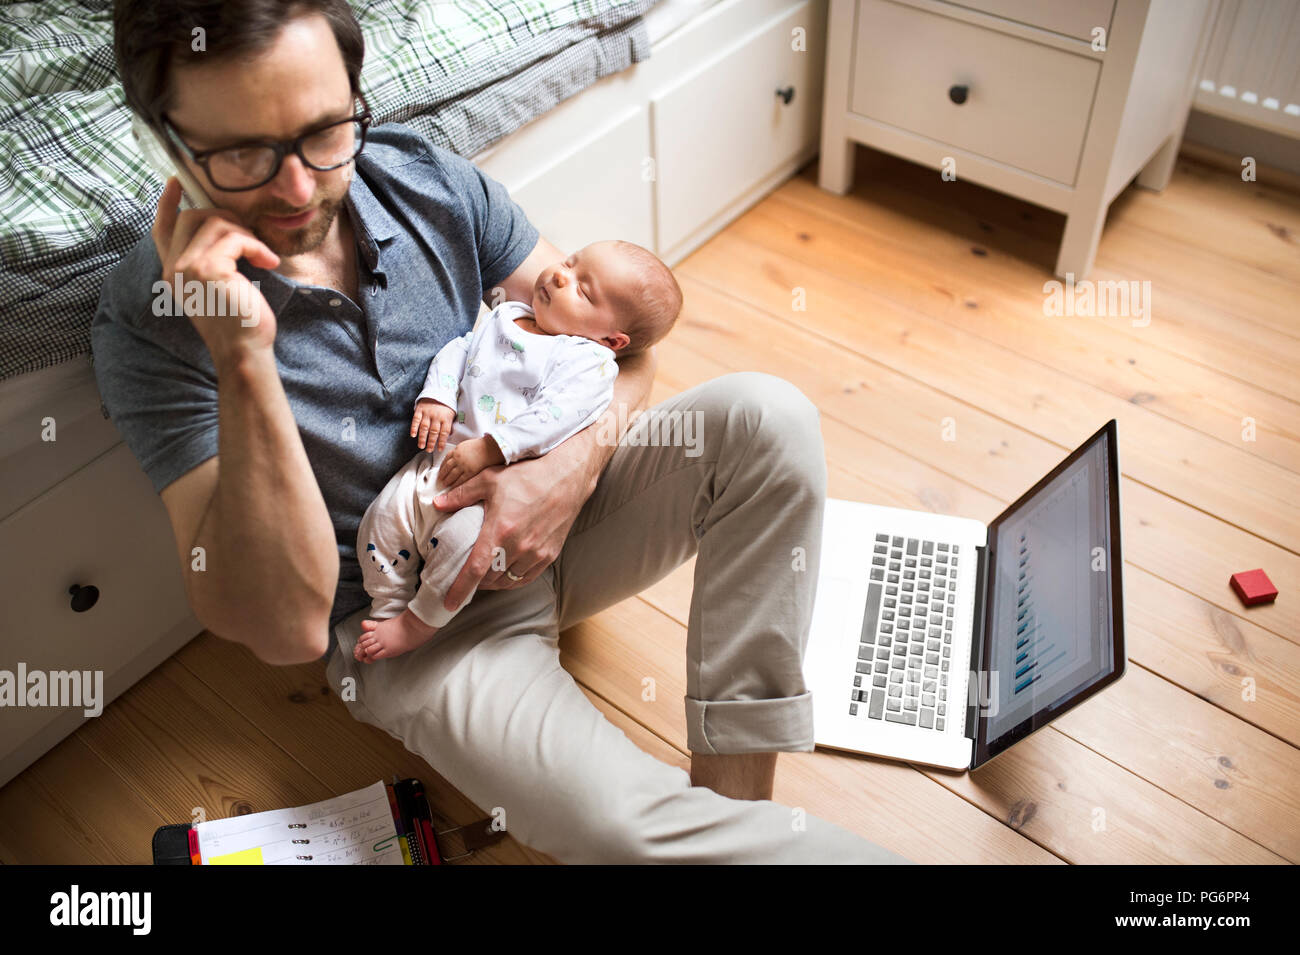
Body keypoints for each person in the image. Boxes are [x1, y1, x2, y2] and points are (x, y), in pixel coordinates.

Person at [92, 0, 913, 864]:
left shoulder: (424, 179)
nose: (300, 188)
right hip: (415, 618)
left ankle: (735, 798)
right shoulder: (148, 323)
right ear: (164, 142)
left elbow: (621, 353)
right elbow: (285, 630)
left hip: (555, 526)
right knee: (616, 827)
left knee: (768, 417)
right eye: (243, 153)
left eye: (326, 130)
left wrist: (565, 474)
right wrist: (243, 356)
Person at [354, 240, 680, 661]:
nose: (560, 276)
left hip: (491, 491)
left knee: (462, 548)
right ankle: (388, 604)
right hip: (436, 464)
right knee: (383, 517)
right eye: (569, 263)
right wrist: (439, 396)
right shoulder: (507, 314)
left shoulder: (587, 363)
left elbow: (554, 416)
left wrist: (492, 449)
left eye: (583, 290)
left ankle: (420, 621)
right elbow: (461, 349)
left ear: (611, 339)